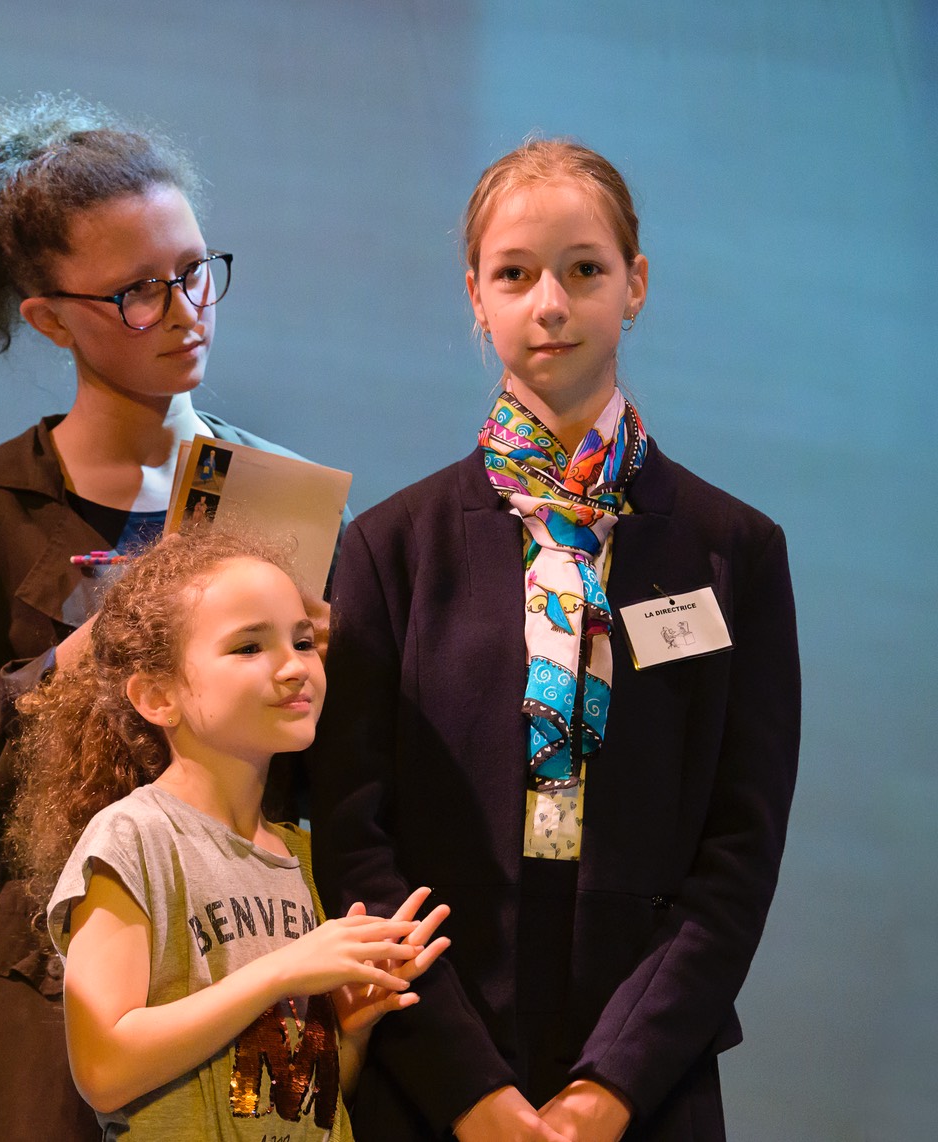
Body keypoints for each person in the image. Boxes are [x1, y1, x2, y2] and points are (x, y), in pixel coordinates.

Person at [0, 94, 336, 1140]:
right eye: (136, 293)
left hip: (245, 955)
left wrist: (309, 665)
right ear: (49, 319)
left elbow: (331, 775)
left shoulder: (280, 500)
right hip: (41, 974)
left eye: (194, 271)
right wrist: (84, 653)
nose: (185, 310)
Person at [309, 140, 800, 1141]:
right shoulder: (390, 548)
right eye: (514, 274)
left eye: (584, 269)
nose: (550, 304)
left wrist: (609, 1089)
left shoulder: (734, 549)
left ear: (635, 284)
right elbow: (354, 840)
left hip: (648, 1075)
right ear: (475, 296)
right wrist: (470, 1092)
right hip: (431, 1064)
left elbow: (737, 856)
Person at [7, 528, 448, 1141]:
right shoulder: (134, 839)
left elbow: (305, 1107)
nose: (294, 667)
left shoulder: (305, 857)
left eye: (302, 641)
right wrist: (283, 972)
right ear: (156, 696)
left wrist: (349, 1032)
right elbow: (103, 1068)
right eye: (248, 647)